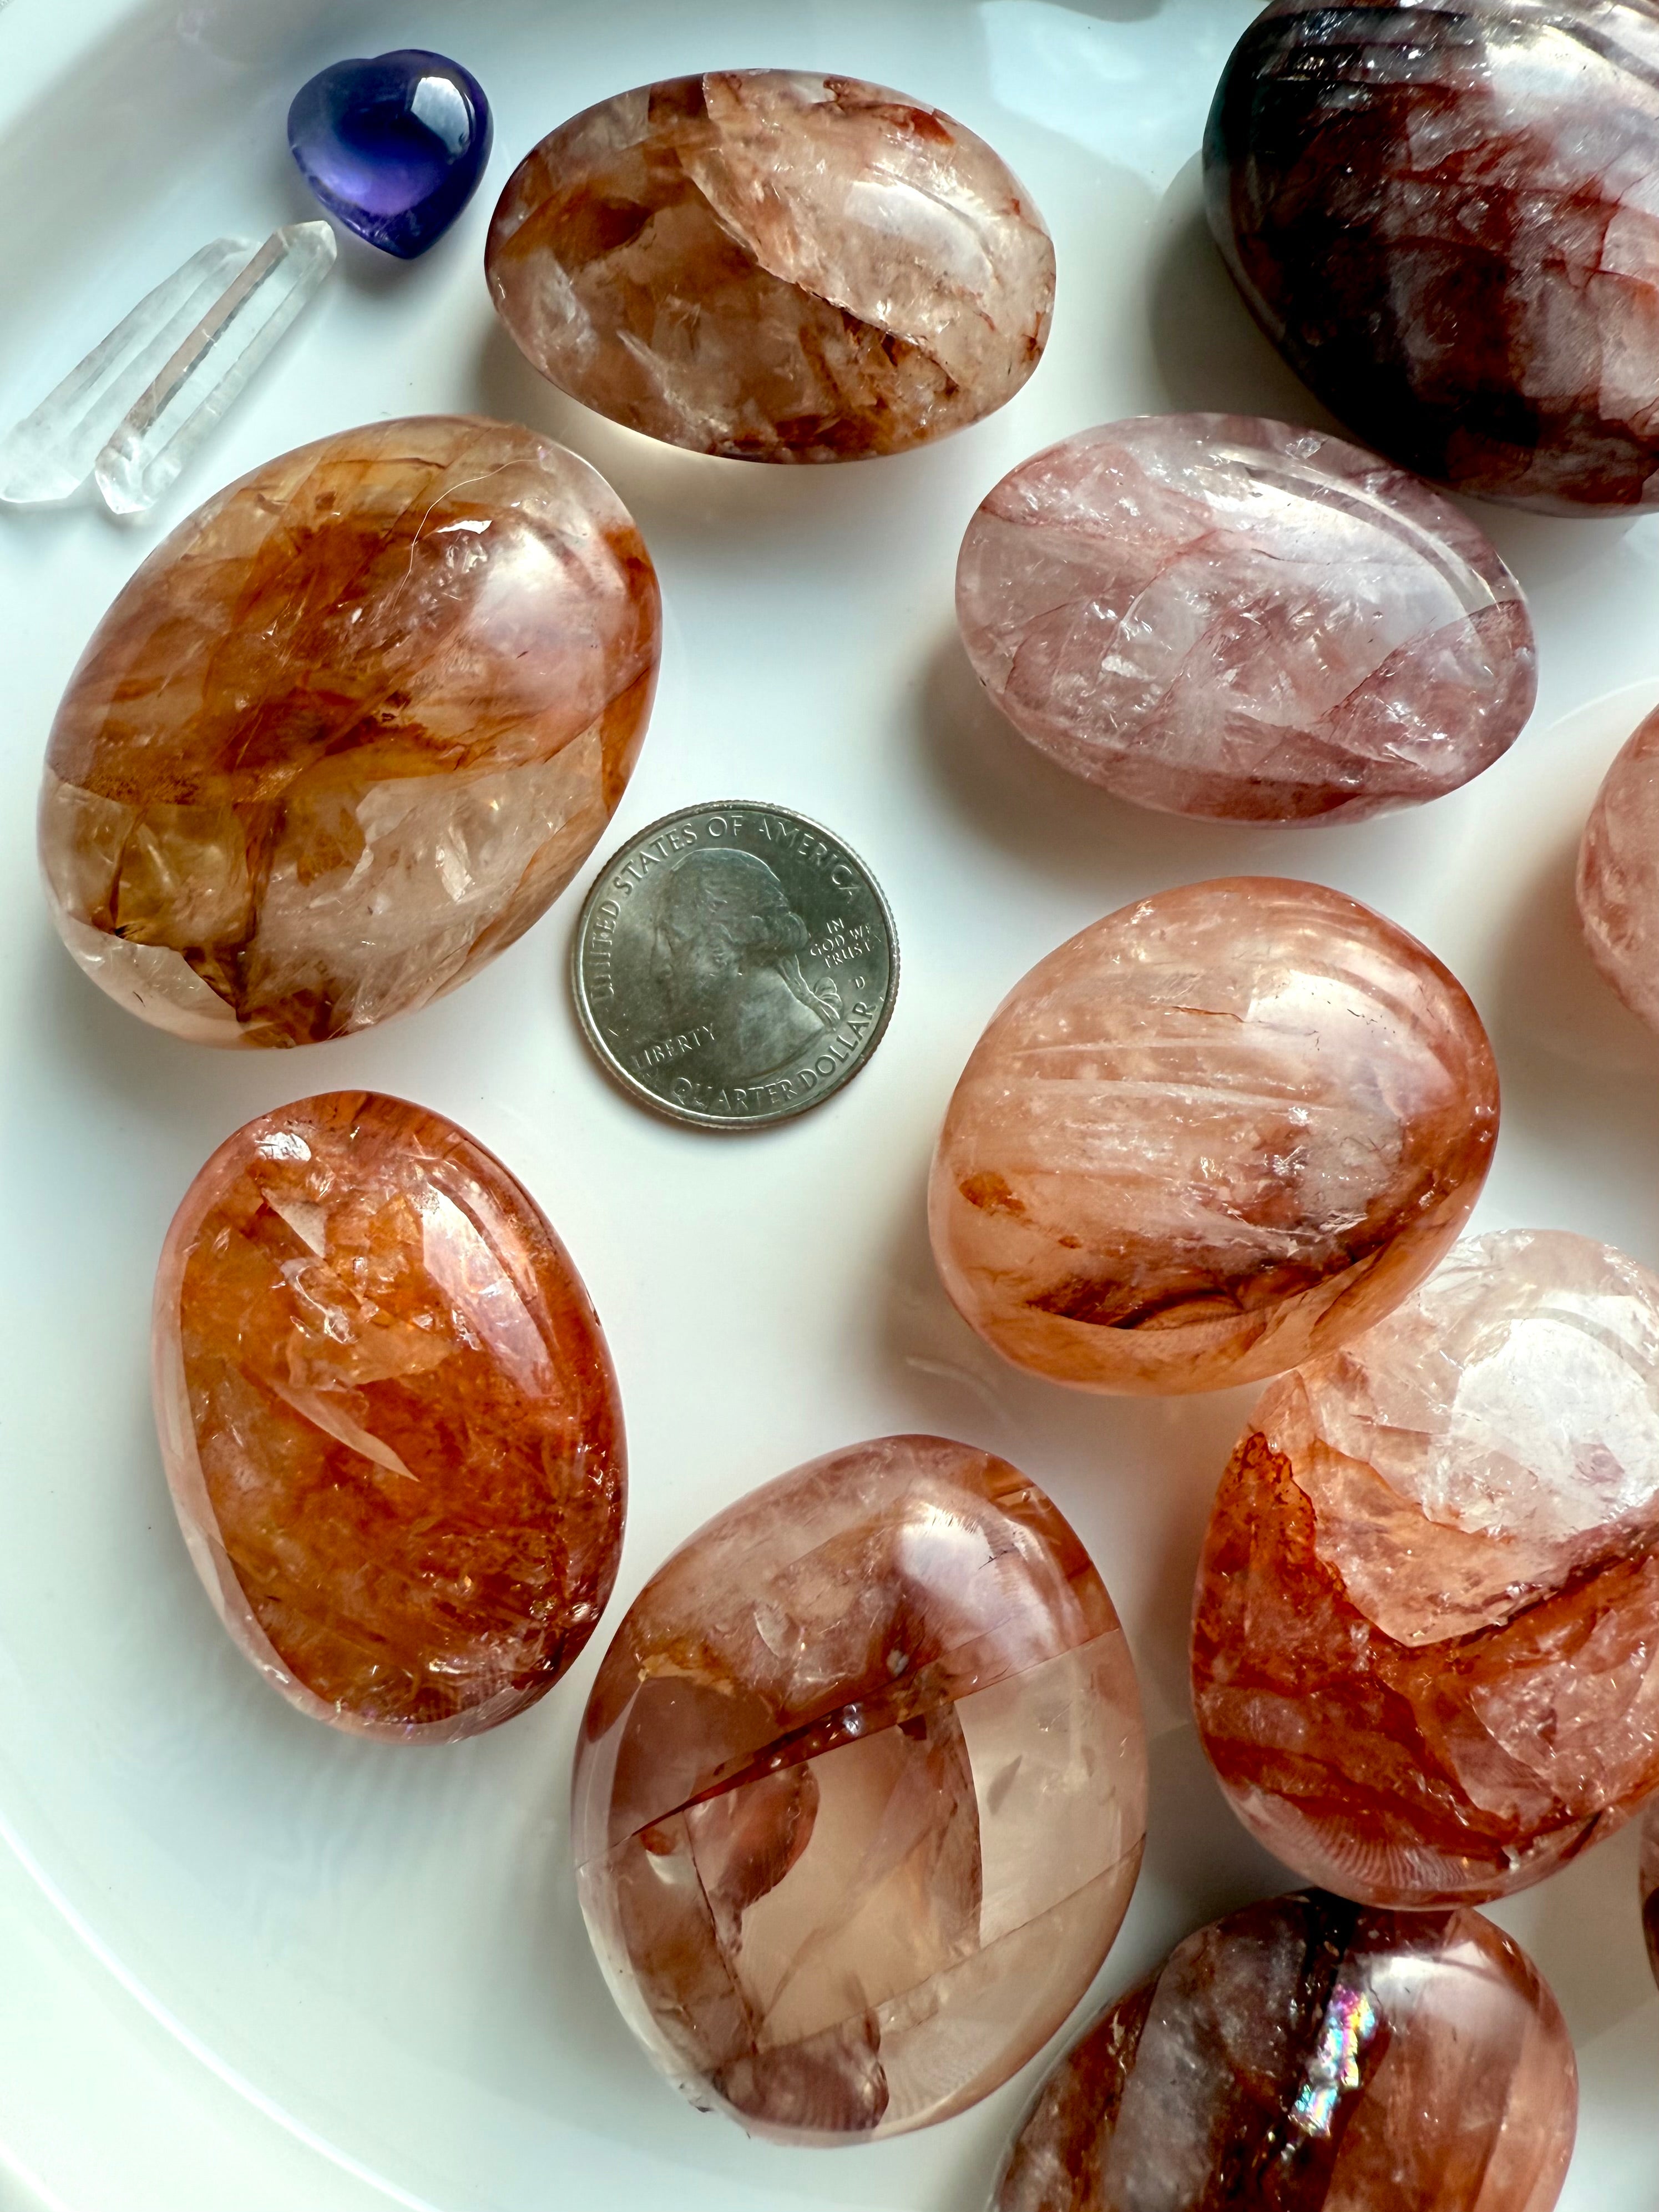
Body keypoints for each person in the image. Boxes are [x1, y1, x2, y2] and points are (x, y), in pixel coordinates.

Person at [651, 846, 841, 1077]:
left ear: (733, 936)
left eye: (674, 939)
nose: (658, 968)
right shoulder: (732, 1049)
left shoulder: (775, 1050)